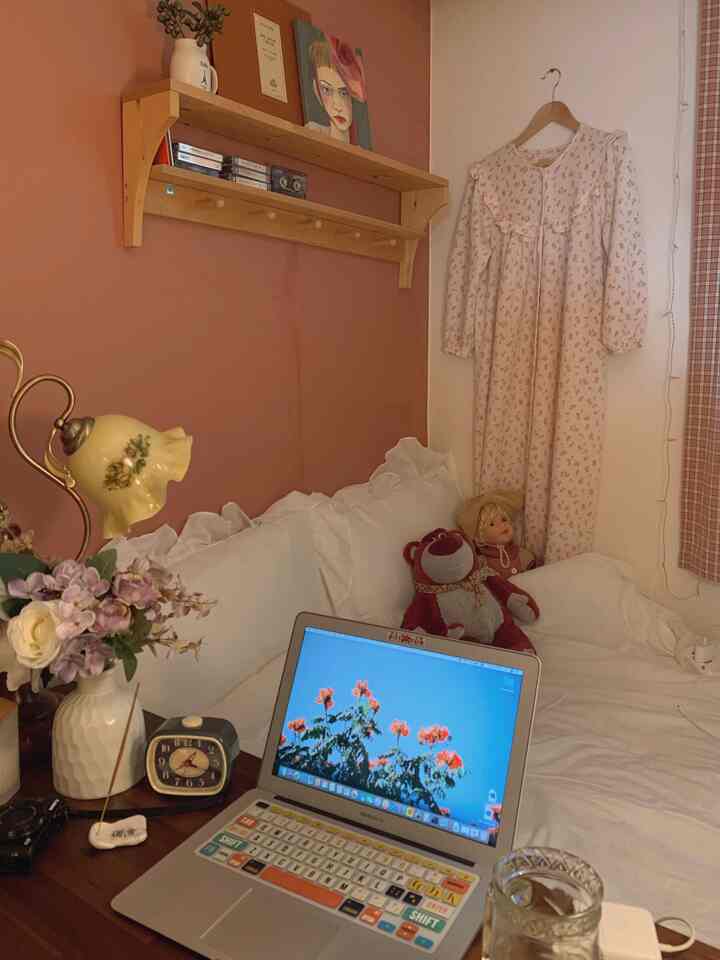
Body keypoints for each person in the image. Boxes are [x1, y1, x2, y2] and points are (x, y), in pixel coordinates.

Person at [307, 35, 366, 145]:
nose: (337, 106)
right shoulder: (312, 131)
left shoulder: (363, 146)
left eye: (344, 93)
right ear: (316, 90)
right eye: (326, 90)